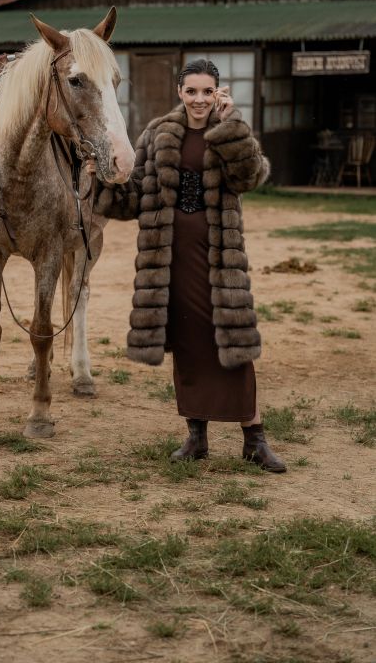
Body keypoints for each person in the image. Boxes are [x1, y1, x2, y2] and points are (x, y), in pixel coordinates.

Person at [93, 58, 286, 473]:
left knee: (231, 343)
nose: (199, 99)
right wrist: (103, 179)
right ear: (179, 91)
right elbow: (133, 198)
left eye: (207, 91)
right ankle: (196, 436)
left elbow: (250, 176)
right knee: (187, 342)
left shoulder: (229, 128)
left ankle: (254, 439)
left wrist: (231, 124)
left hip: (219, 258)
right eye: (192, 91)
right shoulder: (157, 133)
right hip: (169, 259)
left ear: (218, 92)